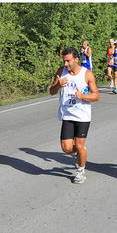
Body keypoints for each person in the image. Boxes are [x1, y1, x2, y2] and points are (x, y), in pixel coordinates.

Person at [49, 47, 99, 184]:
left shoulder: (87, 74)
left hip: (82, 116)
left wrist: (82, 96)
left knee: (79, 145)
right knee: (66, 148)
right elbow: (51, 92)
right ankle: (80, 152)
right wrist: (58, 86)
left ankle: (81, 171)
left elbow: (96, 96)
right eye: (64, 61)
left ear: (76, 59)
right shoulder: (61, 72)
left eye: (68, 61)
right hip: (67, 114)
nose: (66, 64)